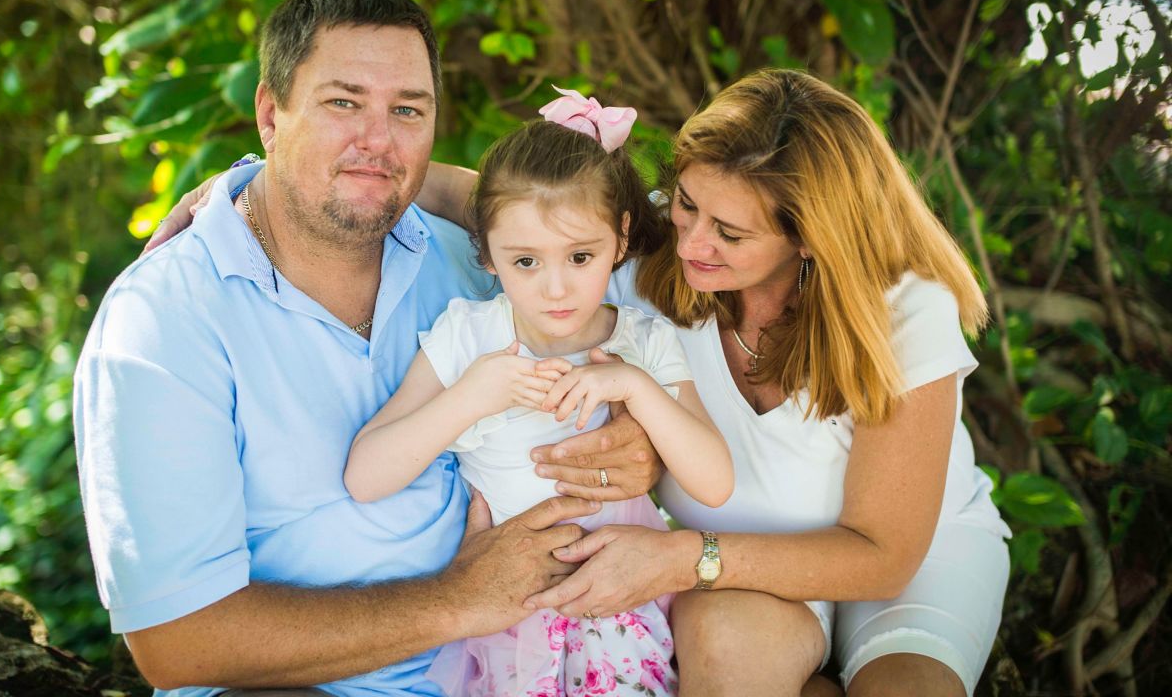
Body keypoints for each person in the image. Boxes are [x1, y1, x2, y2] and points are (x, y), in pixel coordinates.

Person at [152, 69, 1009, 697]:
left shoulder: (903, 311)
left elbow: (882, 551)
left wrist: (678, 552)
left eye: (731, 232)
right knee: (727, 647)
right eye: (685, 208)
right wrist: (251, 188)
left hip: (895, 563)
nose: (695, 242)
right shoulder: (635, 271)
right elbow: (515, 204)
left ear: (811, 237)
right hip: (731, 572)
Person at [73, 0, 663, 696]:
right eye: (343, 103)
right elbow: (179, 644)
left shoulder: (473, 262)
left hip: (523, 661)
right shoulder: (164, 319)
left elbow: (582, 235)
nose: (377, 141)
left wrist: (637, 447)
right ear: (270, 112)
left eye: (407, 111)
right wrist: (459, 601)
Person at [343, 92, 733, 697]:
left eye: (581, 256)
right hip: (510, 617)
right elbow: (365, 476)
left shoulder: (642, 342)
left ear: (621, 237)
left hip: (618, 614)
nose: (556, 288)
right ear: (488, 255)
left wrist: (634, 386)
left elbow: (714, 483)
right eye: (525, 260)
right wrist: (472, 396)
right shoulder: (472, 337)